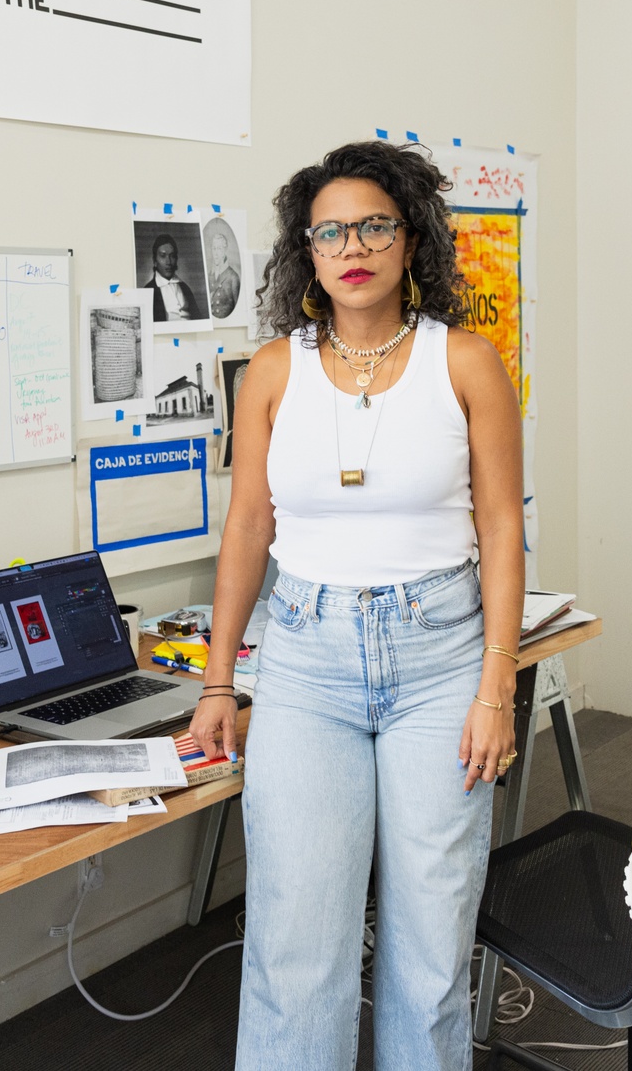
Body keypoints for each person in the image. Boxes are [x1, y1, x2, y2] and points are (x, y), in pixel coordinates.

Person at [189, 139, 526, 1071]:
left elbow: (502, 530)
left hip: (440, 658)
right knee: (297, 935)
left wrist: (496, 684)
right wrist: (221, 680)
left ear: (411, 238)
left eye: (374, 224)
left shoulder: (465, 364)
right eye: (330, 230)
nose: (353, 245)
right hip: (303, 656)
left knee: (429, 937)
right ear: (308, 250)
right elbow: (248, 528)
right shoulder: (272, 370)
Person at [144, 232, 204, 321]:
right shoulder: (147, 291)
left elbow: (198, 319)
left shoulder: (185, 287)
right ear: (155, 261)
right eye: (163, 256)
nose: (168, 262)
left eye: (172, 256)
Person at [208, 223, 242, 319]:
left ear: (225, 250)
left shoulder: (233, 277)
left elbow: (237, 310)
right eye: (214, 248)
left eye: (219, 249)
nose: (216, 253)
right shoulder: (210, 276)